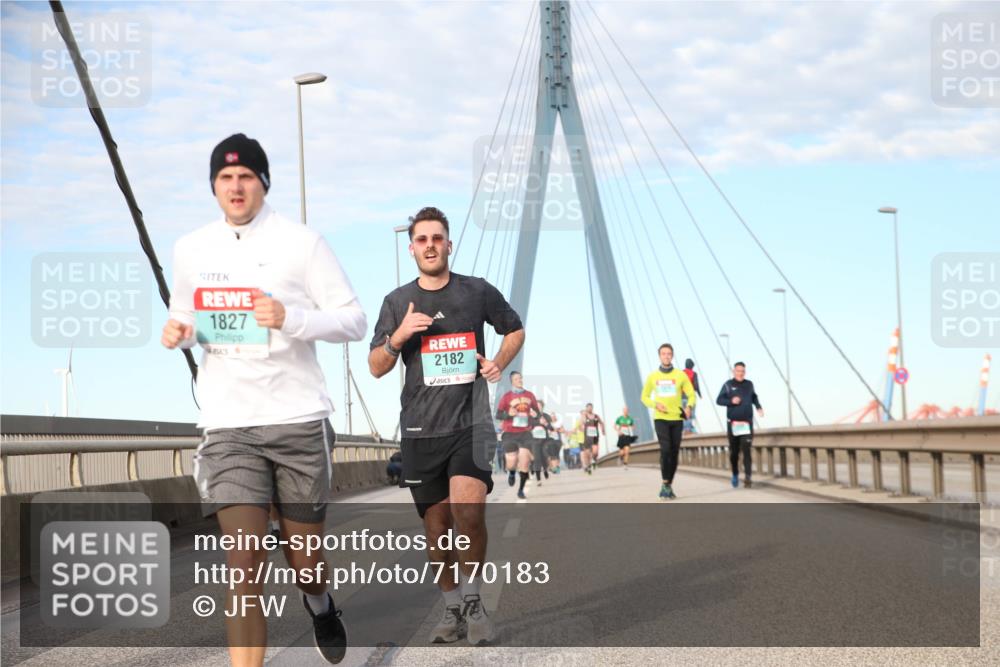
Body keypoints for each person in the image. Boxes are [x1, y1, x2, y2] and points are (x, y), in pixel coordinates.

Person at [163, 133, 365, 665]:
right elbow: (187, 318)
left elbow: (353, 320)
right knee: (242, 558)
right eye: (225, 178)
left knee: (306, 560)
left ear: (263, 182)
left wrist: (291, 318)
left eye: (246, 177)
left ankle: (320, 604)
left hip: (297, 420)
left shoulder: (303, 243)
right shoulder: (190, 249)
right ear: (213, 186)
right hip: (229, 425)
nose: (235, 186)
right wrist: (178, 332)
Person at [368, 206, 524, 646]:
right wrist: (398, 337)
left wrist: (497, 362)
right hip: (420, 430)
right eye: (422, 239)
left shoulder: (476, 292)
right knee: (437, 528)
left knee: (467, 514)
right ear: (412, 247)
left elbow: (515, 330)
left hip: (470, 424)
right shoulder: (397, 302)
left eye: (438, 238)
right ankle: (452, 605)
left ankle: (474, 603)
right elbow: (376, 366)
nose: (430, 245)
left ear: (449, 245)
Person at [641, 344, 696, 500]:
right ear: (659, 356)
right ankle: (665, 483)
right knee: (665, 449)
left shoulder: (680, 376)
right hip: (660, 418)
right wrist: (655, 404)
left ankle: (668, 484)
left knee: (674, 452)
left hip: (677, 418)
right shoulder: (653, 377)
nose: (666, 356)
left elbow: (691, 395)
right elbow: (644, 397)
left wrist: (689, 406)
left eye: (669, 354)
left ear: (672, 356)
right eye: (663, 354)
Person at [716, 362, 764, 488]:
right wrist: (731, 401)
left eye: (743, 371)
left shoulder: (749, 384)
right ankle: (735, 474)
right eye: (738, 371)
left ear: (745, 372)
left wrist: (758, 407)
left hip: (746, 423)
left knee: (747, 450)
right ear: (734, 371)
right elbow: (719, 400)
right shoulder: (728, 385)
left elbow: (754, 397)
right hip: (733, 424)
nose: (740, 373)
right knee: (734, 452)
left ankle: (748, 478)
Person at [496, 371, 541, 499]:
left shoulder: (530, 395)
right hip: (510, 432)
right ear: (512, 381)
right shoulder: (506, 397)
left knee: (525, 462)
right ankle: (511, 472)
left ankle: (520, 490)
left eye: (521, 378)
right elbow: (498, 415)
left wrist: (535, 415)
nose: (520, 380)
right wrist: (508, 414)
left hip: (525, 433)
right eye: (517, 379)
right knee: (511, 462)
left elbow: (538, 413)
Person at [581, 403, 605, 474]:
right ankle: (587, 466)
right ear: (586, 408)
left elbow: (601, 423)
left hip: (595, 436)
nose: (589, 409)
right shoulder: (584, 415)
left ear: (592, 408)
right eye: (588, 407)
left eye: (591, 407)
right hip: (587, 437)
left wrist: (603, 430)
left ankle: (593, 460)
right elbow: (583, 422)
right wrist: (584, 415)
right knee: (587, 453)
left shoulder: (596, 416)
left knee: (595, 452)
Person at [682, 358, 702, 434]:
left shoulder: (681, 373)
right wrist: (700, 394)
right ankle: (688, 429)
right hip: (690, 397)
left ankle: (686, 428)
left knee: (683, 413)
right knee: (690, 413)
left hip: (681, 397)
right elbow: (696, 385)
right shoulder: (694, 374)